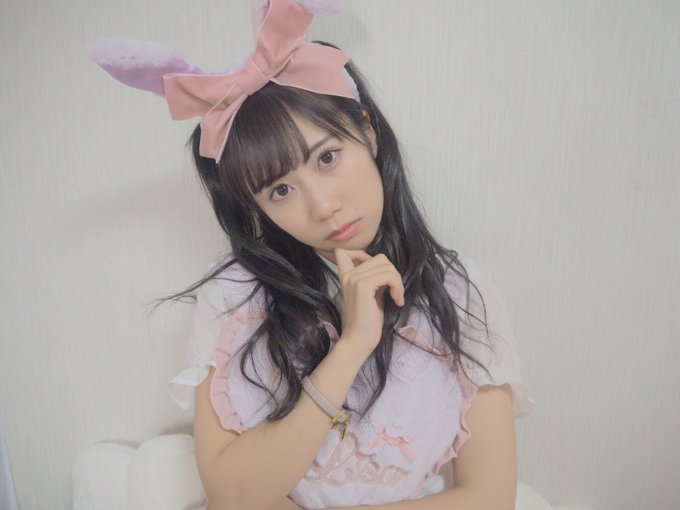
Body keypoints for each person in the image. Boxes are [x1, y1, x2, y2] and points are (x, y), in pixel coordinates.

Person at [90, 1, 533, 508]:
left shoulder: (460, 295)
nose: (322, 206)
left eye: (327, 157)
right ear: (256, 206)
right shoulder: (235, 296)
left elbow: (489, 497)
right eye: (280, 190)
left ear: (367, 130)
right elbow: (233, 497)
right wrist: (351, 347)